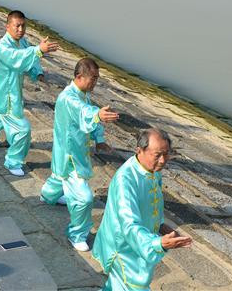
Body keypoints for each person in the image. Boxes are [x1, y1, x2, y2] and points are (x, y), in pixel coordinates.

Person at [92, 129, 192, 290]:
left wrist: (160, 225)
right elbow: (129, 224)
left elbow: (155, 203)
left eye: (166, 154)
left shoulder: (152, 171)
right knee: (136, 285)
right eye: (157, 155)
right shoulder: (126, 181)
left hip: (140, 239)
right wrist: (157, 243)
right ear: (140, 150)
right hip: (124, 246)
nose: (162, 160)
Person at [40, 58, 120, 251]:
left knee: (59, 178)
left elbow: (86, 112)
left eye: (96, 79)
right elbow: (83, 112)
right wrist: (97, 116)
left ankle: (47, 196)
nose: (95, 83)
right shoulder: (69, 98)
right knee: (84, 198)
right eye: (93, 79)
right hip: (70, 156)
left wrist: (99, 139)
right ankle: (77, 234)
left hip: (72, 150)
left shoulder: (82, 95)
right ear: (78, 77)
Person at [0, 10, 59, 176]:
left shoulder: (23, 42)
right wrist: (38, 50)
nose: (20, 29)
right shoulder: (3, 47)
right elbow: (18, 59)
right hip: (6, 96)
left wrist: (37, 73)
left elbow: (30, 60)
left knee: (0, 118)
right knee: (23, 129)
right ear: (8, 26)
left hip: (13, 93)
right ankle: (13, 161)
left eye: (23, 26)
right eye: (17, 26)